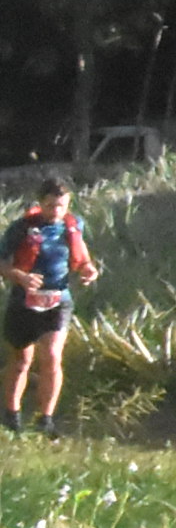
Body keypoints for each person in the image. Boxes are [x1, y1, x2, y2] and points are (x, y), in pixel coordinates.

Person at [3, 179, 93, 433]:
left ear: (68, 204)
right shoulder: (21, 228)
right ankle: (11, 416)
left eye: (61, 205)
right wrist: (21, 277)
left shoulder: (73, 227)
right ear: (40, 203)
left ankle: (46, 420)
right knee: (21, 360)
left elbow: (83, 257)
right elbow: (2, 263)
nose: (56, 211)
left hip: (58, 300)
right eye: (51, 205)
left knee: (52, 356)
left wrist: (88, 270)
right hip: (24, 300)